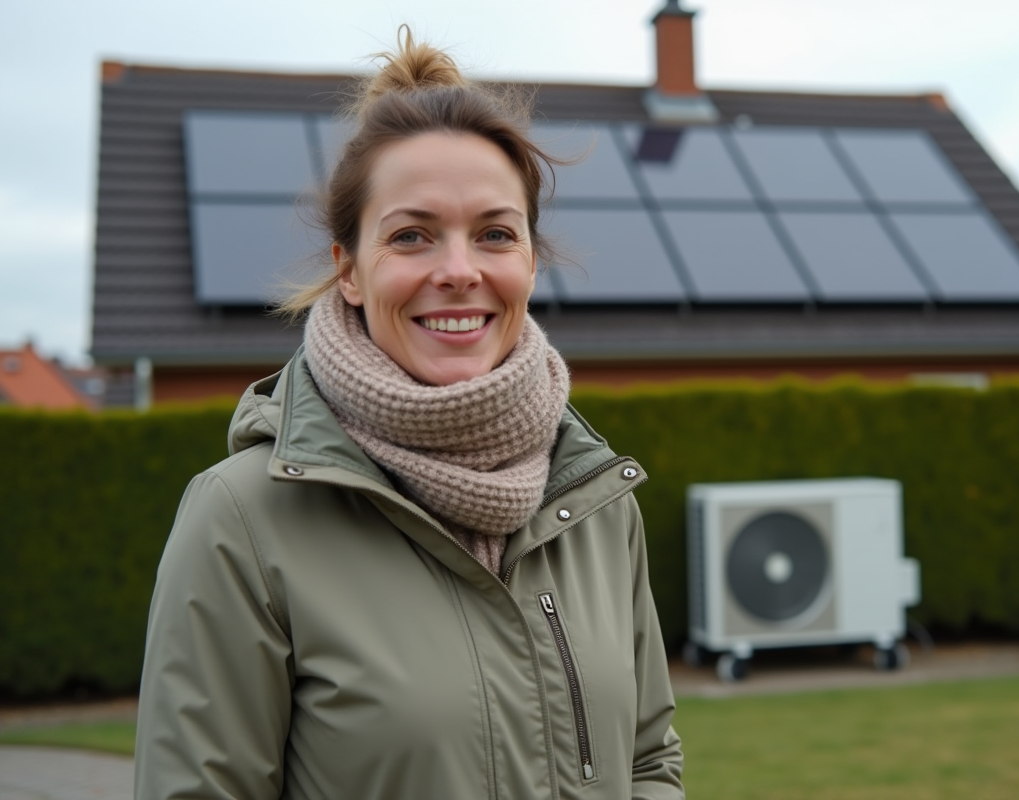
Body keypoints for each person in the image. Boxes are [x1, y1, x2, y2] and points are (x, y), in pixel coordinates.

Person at [134, 29, 684, 800]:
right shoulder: (242, 520)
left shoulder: (596, 504)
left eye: (495, 234)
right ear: (349, 270)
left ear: (530, 261)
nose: (458, 271)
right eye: (412, 236)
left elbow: (650, 763)